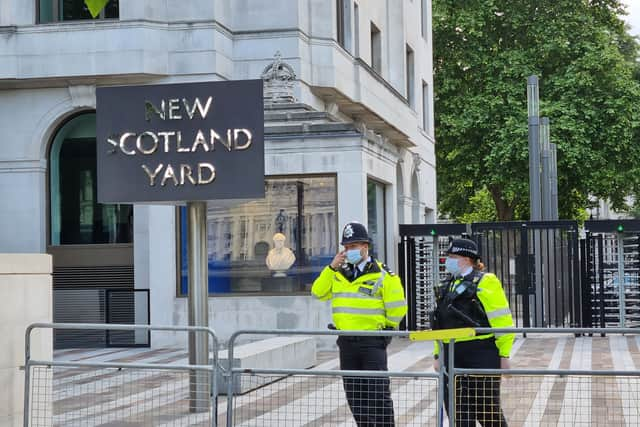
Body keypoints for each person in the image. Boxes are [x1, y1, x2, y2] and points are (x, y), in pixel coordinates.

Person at [311, 222, 407, 427]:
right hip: (346, 342)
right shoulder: (338, 273)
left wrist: (386, 331)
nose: (349, 251)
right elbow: (317, 292)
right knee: (355, 396)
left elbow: (398, 307)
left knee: (377, 394)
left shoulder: (382, 273)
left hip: (372, 341)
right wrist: (330, 267)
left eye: (353, 247)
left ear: (365, 246)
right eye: (346, 247)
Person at [431, 238, 514, 426]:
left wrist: (504, 355)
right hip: (451, 354)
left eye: (452, 257)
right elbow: (439, 324)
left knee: (487, 412)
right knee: (457, 414)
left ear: (467, 259)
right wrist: (438, 354)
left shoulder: (486, 281)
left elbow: (502, 321)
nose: (448, 261)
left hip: (481, 353)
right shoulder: (448, 284)